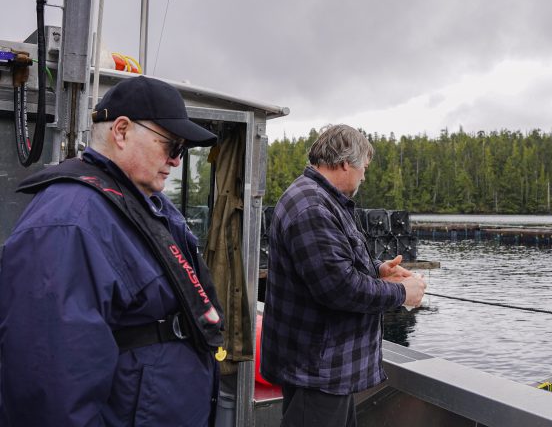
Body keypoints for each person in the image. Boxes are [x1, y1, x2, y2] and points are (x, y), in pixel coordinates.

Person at [0, 75, 225, 426]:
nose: (178, 161)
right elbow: (49, 384)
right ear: (121, 131)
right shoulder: (69, 221)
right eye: (172, 146)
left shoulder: (146, 204)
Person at [261, 124, 426, 427]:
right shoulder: (313, 207)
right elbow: (339, 288)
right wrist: (403, 293)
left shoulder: (318, 198)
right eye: (364, 166)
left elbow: (334, 262)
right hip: (317, 370)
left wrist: (379, 270)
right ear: (346, 163)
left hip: (322, 368)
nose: (364, 174)